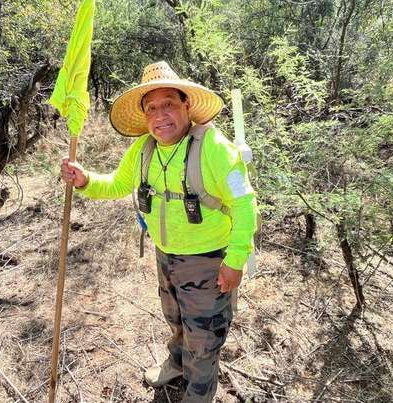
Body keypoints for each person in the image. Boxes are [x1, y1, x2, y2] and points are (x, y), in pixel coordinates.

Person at [61, 61, 258, 402]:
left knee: (204, 337)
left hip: (208, 260)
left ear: (186, 105)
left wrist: (236, 259)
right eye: (151, 108)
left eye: (168, 104)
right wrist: (85, 180)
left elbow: (244, 203)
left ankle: (198, 394)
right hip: (165, 254)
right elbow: (118, 184)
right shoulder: (144, 147)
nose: (160, 115)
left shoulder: (213, 146)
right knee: (175, 318)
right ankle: (177, 364)